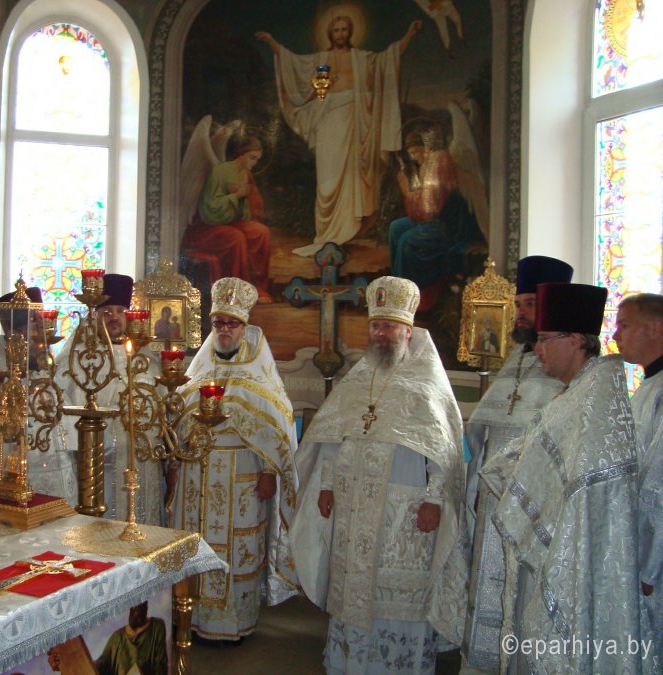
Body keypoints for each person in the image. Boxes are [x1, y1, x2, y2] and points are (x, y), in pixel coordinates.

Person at [291, 275, 469, 674]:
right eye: (375, 326)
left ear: (408, 330)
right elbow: (333, 438)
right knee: (352, 587)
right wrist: (326, 486)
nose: (380, 334)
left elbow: (443, 451)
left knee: (393, 595)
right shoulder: (357, 379)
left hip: (403, 510)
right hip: (353, 506)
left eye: (388, 326)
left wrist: (434, 501)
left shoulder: (427, 383)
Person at [482, 282, 644, 674]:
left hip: (569, 560)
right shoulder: (577, 394)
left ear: (574, 341)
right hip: (550, 548)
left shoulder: (595, 403)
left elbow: (583, 495)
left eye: (545, 339)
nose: (537, 349)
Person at [169, 276, 298, 641]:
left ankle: (234, 623)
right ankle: (190, 616)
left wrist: (269, 471)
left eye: (232, 324)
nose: (224, 330)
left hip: (244, 474)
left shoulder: (260, 374)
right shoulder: (198, 370)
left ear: (244, 327)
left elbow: (278, 427)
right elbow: (175, 422)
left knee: (239, 547)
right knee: (194, 541)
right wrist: (175, 464)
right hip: (196, 473)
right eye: (218, 323)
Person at [461, 255, 573, 673]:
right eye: (519, 304)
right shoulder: (518, 359)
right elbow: (482, 431)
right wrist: (471, 482)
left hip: (532, 504)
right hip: (494, 498)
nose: (521, 312)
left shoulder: (565, 371)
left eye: (530, 304)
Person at [256, 17, 421, 257]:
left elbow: (390, 57)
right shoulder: (321, 60)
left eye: (344, 30)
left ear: (350, 32)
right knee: (327, 178)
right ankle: (326, 234)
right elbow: (294, 63)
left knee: (351, 174)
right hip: (328, 118)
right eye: (336, 30)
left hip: (354, 120)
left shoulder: (362, 59)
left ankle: (347, 230)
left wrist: (410, 34)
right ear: (330, 33)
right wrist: (272, 43)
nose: (340, 34)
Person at [54, 273, 164, 524]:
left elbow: (161, 407)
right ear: (95, 316)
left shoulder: (145, 358)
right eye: (106, 312)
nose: (114, 317)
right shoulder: (77, 356)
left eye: (120, 311)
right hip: (97, 457)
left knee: (140, 520)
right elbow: (62, 404)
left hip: (140, 456)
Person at [0, 285, 77, 502]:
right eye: (36, 325)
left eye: (44, 326)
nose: (43, 334)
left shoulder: (51, 381)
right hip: (14, 491)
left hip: (59, 493)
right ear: (15, 336)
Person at [614, 292, 663, 663]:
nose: (616, 335)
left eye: (624, 325)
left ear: (656, 328)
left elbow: (657, 488)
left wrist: (649, 566)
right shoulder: (649, 387)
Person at [388, 127, 482, 300]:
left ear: (425, 148)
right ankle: (397, 283)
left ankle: (408, 296)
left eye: (415, 152)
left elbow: (429, 210)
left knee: (406, 240)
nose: (413, 157)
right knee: (395, 227)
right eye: (411, 154)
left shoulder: (438, 161)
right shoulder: (427, 163)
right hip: (435, 218)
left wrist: (406, 190)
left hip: (448, 224)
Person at [180, 137, 273, 302]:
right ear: (241, 153)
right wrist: (235, 195)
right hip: (207, 226)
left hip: (231, 222)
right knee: (236, 237)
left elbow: (245, 213)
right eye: (252, 157)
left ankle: (257, 287)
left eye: (257, 159)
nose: (254, 163)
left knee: (262, 232)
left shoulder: (246, 174)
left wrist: (243, 199)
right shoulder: (219, 171)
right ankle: (236, 292)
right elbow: (209, 208)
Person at [94, 601, 168, 675]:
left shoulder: (156, 627)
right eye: (134, 608)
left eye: (139, 607)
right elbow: (101, 664)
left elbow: (161, 666)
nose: (136, 611)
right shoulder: (117, 637)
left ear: (145, 607)